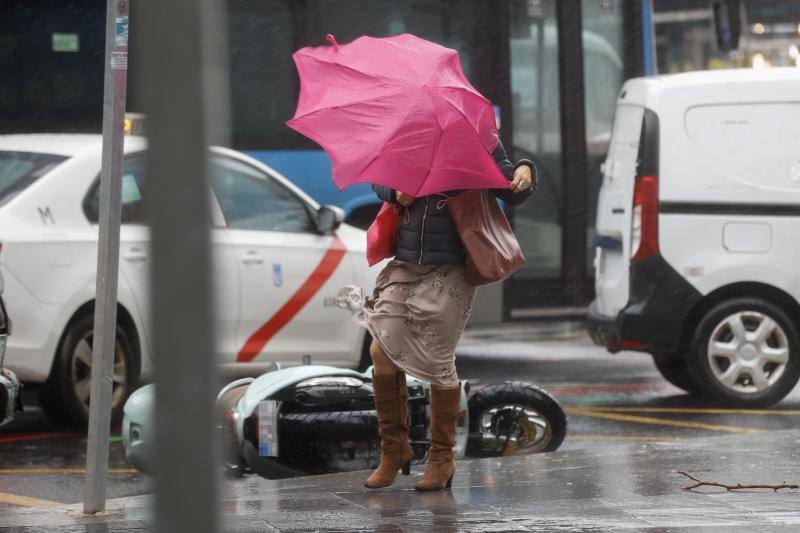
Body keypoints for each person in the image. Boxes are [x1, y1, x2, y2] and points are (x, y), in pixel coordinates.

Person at [362, 140, 536, 491]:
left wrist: (525, 170)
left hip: (453, 267)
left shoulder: (474, 137)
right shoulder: (407, 137)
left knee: (438, 359)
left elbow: (510, 187)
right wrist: (395, 191)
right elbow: (379, 179)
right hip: (407, 262)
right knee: (381, 351)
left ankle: (443, 457)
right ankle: (395, 451)